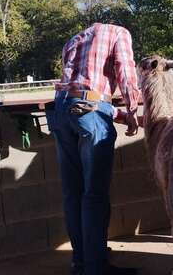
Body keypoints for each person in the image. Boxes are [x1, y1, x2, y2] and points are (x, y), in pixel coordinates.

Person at [47, 23, 140, 275]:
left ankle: (81, 263)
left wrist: (119, 114)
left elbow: (80, 95)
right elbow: (126, 72)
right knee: (94, 195)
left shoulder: (74, 39)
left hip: (61, 111)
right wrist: (132, 110)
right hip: (89, 114)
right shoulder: (118, 33)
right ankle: (96, 267)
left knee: (72, 193)